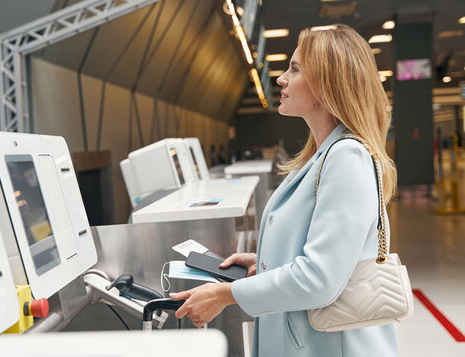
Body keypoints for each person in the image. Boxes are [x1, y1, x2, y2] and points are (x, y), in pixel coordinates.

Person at [170, 24, 398, 356]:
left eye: (295, 69)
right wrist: (266, 262)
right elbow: (323, 254)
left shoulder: (347, 158)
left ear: (326, 84)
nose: (281, 79)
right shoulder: (320, 158)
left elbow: (319, 278)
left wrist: (225, 295)